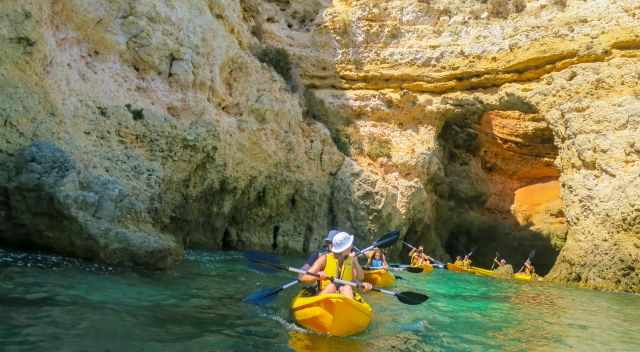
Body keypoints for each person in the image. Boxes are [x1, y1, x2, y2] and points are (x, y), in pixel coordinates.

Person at [301, 232, 372, 299]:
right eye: (350, 244)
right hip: (325, 296)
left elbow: (359, 278)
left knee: (347, 288)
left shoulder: (351, 259)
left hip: (343, 297)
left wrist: (361, 284)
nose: (352, 246)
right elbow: (304, 278)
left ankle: (347, 309)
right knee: (333, 286)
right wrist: (317, 276)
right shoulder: (324, 258)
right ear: (345, 248)